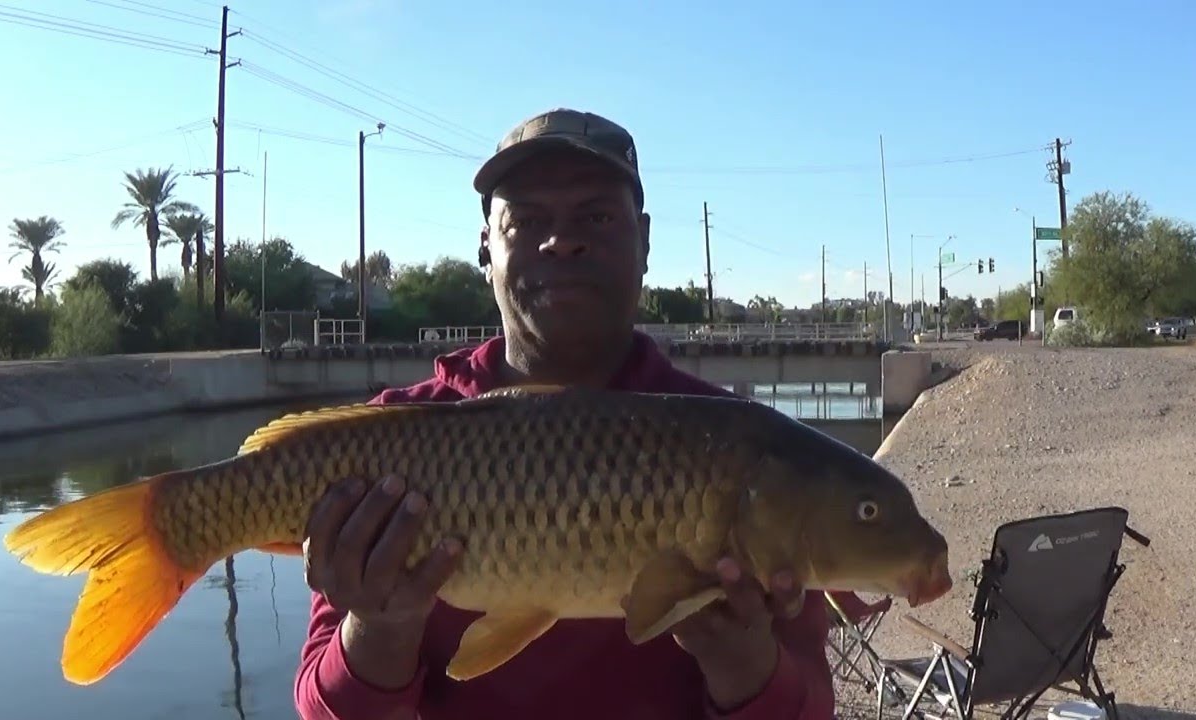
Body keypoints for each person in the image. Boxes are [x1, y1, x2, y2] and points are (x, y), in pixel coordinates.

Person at [294, 108, 839, 720]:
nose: (562, 240)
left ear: (646, 240)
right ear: (486, 247)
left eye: (597, 216)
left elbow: (813, 706)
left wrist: (745, 666)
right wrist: (380, 628)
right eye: (526, 220)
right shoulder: (384, 442)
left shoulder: (741, 449)